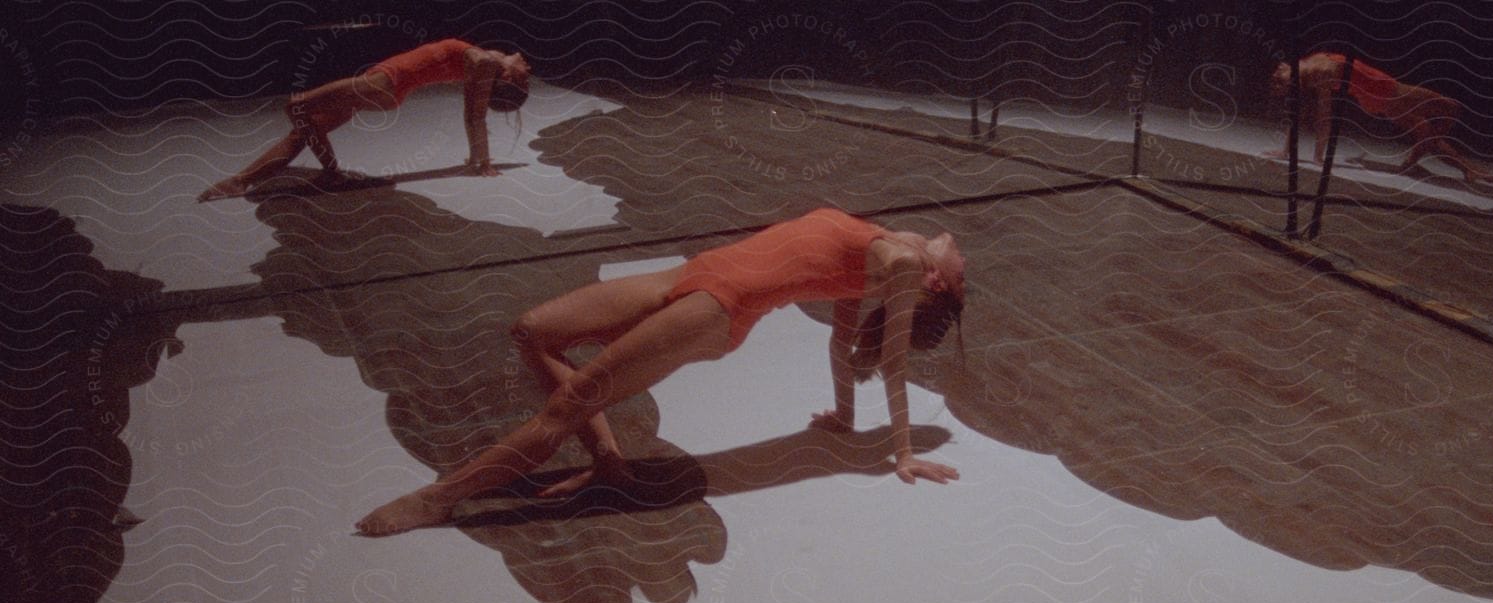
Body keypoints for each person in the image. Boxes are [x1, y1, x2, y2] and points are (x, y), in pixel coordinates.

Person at [355, 207, 967, 536]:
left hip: (716, 310)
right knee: (533, 331)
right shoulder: (878, 250)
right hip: (691, 275)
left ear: (932, 282)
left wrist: (903, 452)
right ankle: (608, 462)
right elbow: (841, 342)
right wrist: (843, 415)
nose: (951, 240)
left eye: (956, 264)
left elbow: (887, 363)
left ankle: (440, 499)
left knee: (564, 408)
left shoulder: (900, 264)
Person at [197, 39, 530, 201]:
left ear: (510, 79)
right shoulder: (484, 59)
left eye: (525, 76)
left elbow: (474, 114)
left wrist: (482, 163)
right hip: (383, 82)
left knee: (295, 106)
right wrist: (475, 159)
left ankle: (331, 173)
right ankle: (241, 181)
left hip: (387, 84)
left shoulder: (484, 62)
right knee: (303, 129)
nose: (528, 67)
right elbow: (472, 111)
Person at [1267, 52, 1493, 184]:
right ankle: (1415, 158)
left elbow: (1303, 113)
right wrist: (1318, 157)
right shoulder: (1319, 73)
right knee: (1451, 108)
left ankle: (1465, 168)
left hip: (1379, 96)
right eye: (1283, 81)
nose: (1279, 74)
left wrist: (1287, 152)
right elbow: (1323, 118)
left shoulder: (1310, 61)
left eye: (1280, 77)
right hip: (1387, 92)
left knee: (1426, 131)